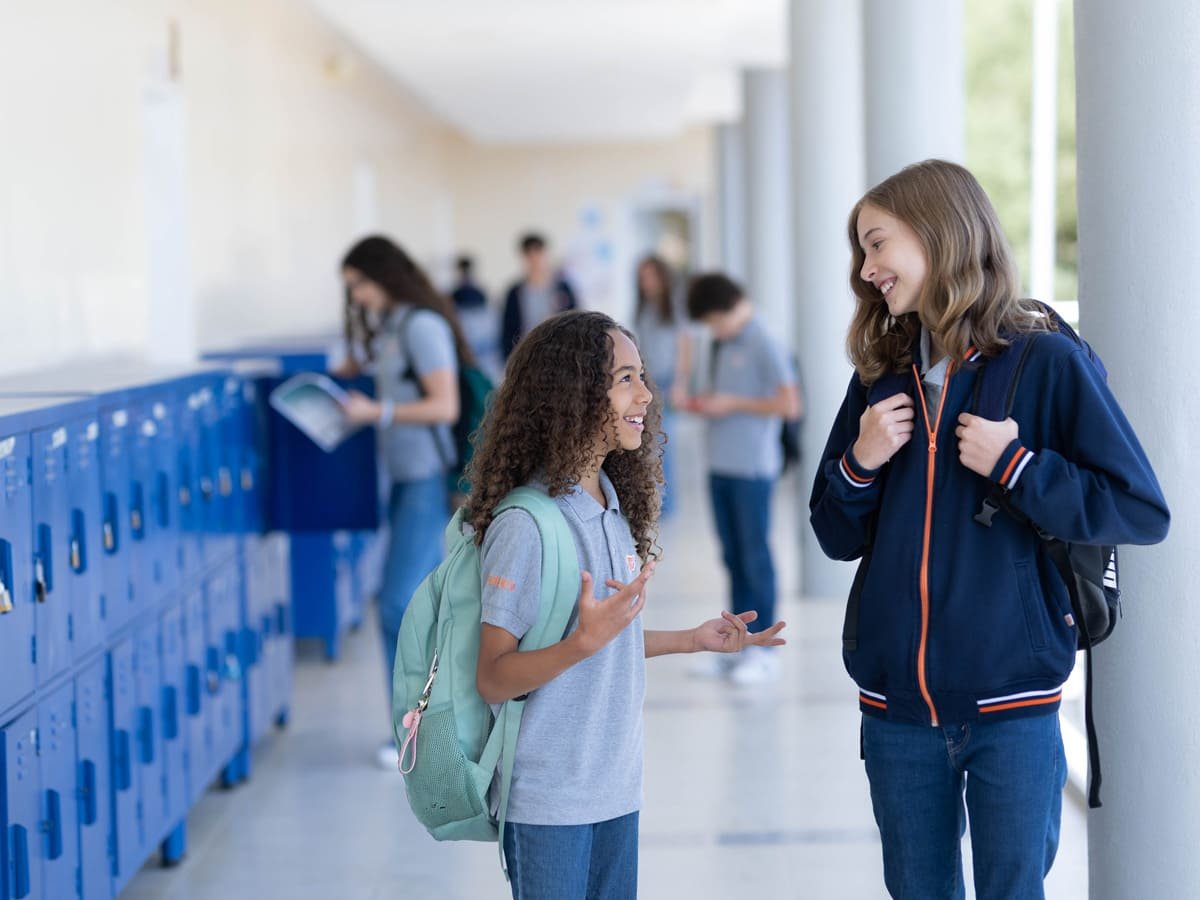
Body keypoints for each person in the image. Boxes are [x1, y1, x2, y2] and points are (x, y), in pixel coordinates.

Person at [809, 159, 1169, 899]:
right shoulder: (881, 376)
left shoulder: (1045, 364)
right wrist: (861, 459)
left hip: (1015, 709)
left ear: (938, 232)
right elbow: (833, 532)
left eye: (877, 243)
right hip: (897, 713)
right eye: (862, 252)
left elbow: (1138, 508)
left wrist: (1017, 466)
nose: (867, 268)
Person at [466, 310, 786, 900]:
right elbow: (493, 678)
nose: (646, 394)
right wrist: (581, 643)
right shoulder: (528, 524)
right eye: (625, 379)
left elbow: (602, 641)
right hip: (550, 798)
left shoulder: (611, 503)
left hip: (615, 786)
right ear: (574, 395)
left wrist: (689, 639)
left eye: (641, 376)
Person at [333, 235, 477, 769]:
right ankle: (424, 728)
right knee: (414, 607)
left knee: (399, 605)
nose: (357, 297)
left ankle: (419, 733)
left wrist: (379, 412)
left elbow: (444, 405)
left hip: (426, 479)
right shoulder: (396, 328)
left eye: (359, 285)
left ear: (384, 276)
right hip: (402, 480)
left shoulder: (422, 325)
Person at [683, 273, 800, 685]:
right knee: (733, 558)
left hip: (752, 468)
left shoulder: (763, 339)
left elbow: (789, 403)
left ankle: (762, 650)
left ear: (727, 309)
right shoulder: (724, 342)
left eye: (714, 321)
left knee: (754, 558)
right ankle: (736, 644)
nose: (713, 330)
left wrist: (732, 403)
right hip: (721, 464)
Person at [631, 255, 692, 516]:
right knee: (648, 444)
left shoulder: (674, 305)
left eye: (650, 276)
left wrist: (681, 383)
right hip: (648, 381)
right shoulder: (644, 307)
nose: (646, 282)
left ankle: (668, 505)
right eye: (642, 277)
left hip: (667, 382)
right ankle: (655, 500)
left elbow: (685, 346)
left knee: (665, 444)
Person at [499, 232, 578, 361]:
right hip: (526, 357)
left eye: (538, 254)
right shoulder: (515, 292)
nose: (535, 261)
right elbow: (507, 331)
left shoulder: (562, 287)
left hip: (561, 356)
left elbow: (577, 320)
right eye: (530, 256)